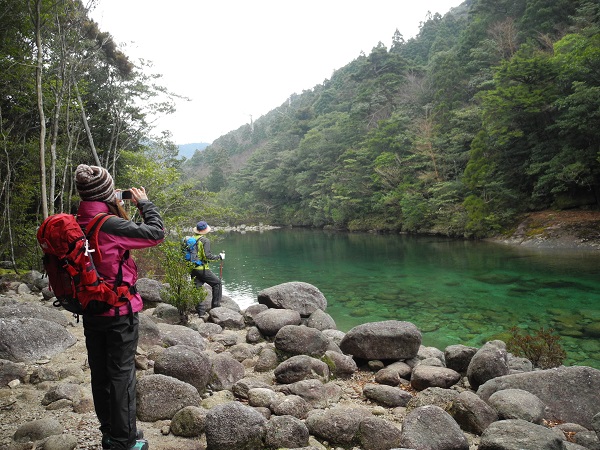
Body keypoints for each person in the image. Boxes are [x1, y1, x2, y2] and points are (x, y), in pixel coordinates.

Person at [74, 164, 165, 450]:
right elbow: (155, 234)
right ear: (104, 192)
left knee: (101, 373)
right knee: (122, 375)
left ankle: (110, 432)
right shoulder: (109, 224)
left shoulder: (77, 220)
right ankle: (125, 441)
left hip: (90, 309)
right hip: (118, 312)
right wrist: (144, 204)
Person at [189, 221, 224, 315]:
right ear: (204, 230)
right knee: (217, 283)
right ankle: (216, 308)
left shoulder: (191, 239)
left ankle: (201, 313)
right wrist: (219, 257)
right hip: (202, 269)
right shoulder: (204, 240)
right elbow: (207, 256)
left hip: (192, 269)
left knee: (197, 289)